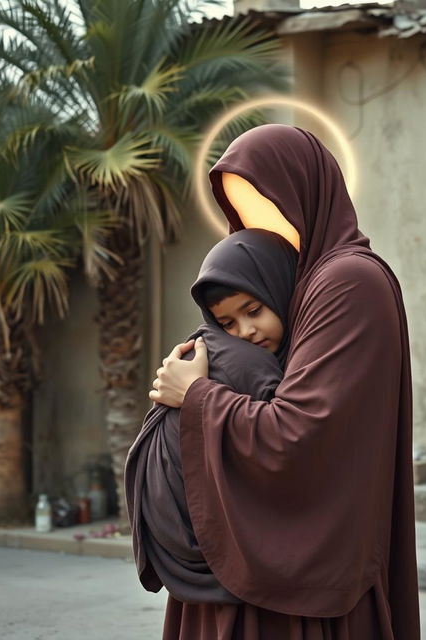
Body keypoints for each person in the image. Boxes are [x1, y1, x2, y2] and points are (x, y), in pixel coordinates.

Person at [150, 124, 420, 639]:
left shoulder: (347, 281)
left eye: (269, 203)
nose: (258, 225)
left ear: (309, 194)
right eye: (242, 211)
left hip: (307, 568)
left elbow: (297, 433)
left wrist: (196, 395)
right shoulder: (295, 287)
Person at [124, 228, 298, 608]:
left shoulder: (220, 353)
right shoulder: (250, 363)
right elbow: (287, 446)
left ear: (281, 289)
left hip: (172, 542)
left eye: (254, 311)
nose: (246, 332)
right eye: (228, 323)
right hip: (199, 536)